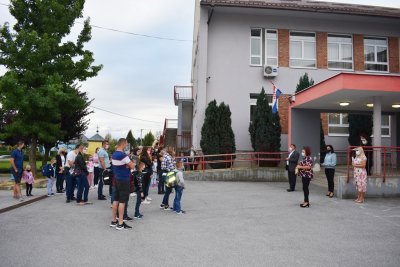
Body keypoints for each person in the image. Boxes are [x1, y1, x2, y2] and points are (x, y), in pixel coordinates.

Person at [110, 138, 136, 230]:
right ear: (123, 144)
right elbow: (132, 165)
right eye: (126, 144)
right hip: (124, 180)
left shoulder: (114, 154)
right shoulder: (123, 155)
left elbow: (121, 165)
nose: (126, 146)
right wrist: (130, 163)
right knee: (122, 201)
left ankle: (114, 221)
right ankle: (120, 223)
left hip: (116, 179)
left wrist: (126, 164)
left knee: (115, 200)